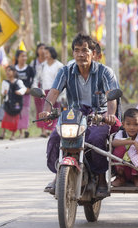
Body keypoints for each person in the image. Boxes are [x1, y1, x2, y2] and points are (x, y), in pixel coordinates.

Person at [39, 33, 119, 197]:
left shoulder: (105, 72)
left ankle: (101, 177)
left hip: (98, 114)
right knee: (55, 138)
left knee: (96, 140)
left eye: (85, 50)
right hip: (73, 114)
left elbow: (112, 97)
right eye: (77, 50)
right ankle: (58, 176)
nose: (81, 54)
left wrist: (110, 115)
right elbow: (53, 93)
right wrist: (46, 110)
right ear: (73, 53)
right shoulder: (65, 71)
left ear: (93, 53)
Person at [33, 46, 64, 137]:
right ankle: (44, 131)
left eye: (47, 53)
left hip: (56, 92)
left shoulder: (59, 66)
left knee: (55, 111)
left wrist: (61, 95)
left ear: (52, 53)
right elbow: (37, 78)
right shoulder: (42, 66)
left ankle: (53, 130)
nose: (45, 55)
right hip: (44, 91)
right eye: (44, 53)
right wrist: (35, 88)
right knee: (45, 111)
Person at [111, 108, 138, 187]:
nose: (132, 128)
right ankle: (121, 177)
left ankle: (137, 177)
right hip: (123, 168)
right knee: (119, 149)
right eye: (128, 124)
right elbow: (114, 142)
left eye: (136, 124)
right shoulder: (121, 133)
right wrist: (132, 142)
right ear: (123, 124)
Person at [0, 65, 27, 140]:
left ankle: (13, 134)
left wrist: (19, 92)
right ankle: (3, 133)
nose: (7, 72)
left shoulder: (18, 81)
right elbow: (2, 92)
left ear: (14, 72)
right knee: (5, 118)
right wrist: (4, 93)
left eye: (9, 70)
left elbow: (24, 89)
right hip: (8, 103)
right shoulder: (5, 82)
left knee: (15, 119)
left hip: (16, 104)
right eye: (6, 71)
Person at [15, 50, 35, 139]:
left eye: (25, 56)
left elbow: (33, 79)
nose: (24, 58)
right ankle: (20, 131)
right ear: (17, 58)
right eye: (22, 56)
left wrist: (29, 89)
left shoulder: (29, 69)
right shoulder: (14, 68)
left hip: (26, 93)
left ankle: (26, 128)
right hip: (16, 94)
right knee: (18, 111)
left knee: (25, 111)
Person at [31, 43, 47, 137]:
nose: (43, 50)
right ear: (37, 50)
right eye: (41, 48)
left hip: (48, 87)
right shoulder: (33, 63)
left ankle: (49, 128)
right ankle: (43, 130)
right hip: (37, 87)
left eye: (45, 48)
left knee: (48, 107)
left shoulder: (50, 61)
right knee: (40, 109)